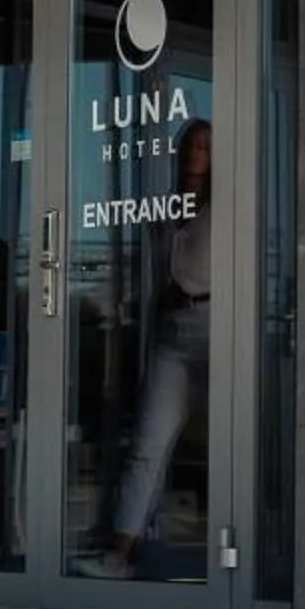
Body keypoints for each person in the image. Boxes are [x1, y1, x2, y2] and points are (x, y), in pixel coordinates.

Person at [89, 118, 212, 581]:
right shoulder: (168, 206)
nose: (198, 154)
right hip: (173, 328)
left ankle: (243, 563)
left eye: (206, 147)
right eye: (192, 146)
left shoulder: (231, 203)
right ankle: (120, 552)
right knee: (148, 440)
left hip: (220, 324)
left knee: (231, 444)